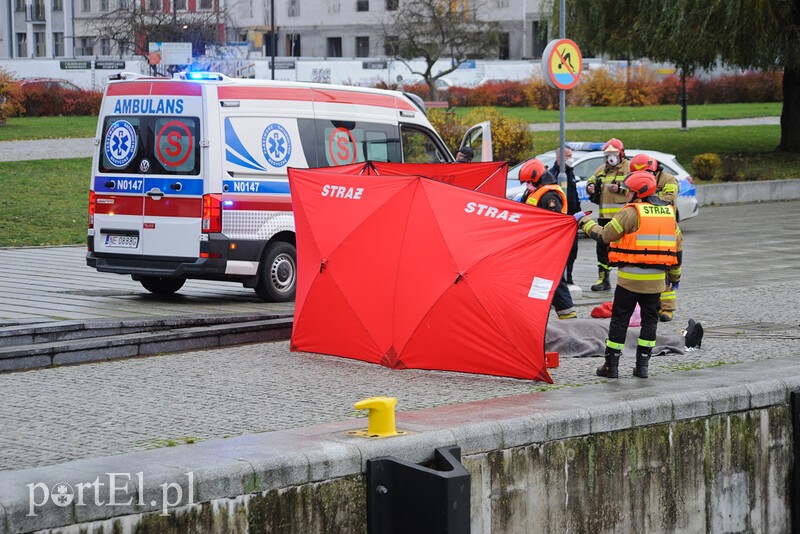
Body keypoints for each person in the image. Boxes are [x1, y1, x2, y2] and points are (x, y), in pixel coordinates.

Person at [576, 171, 683, 379]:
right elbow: (677, 250)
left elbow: (605, 235)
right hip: (655, 283)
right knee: (649, 322)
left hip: (629, 281)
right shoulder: (668, 214)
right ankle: (642, 367)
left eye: (629, 191)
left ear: (637, 193)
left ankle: (611, 366)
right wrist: (675, 278)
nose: (626, 195)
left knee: (619, 321)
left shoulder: (630, 213)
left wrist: (584, 223)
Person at [518, 158, 576, 320]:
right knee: (544, 280)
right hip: (539, 245)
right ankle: (538, 313)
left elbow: (553, 222)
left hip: (550, 246)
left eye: (529, 182)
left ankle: (568, 315)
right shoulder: (536, 192)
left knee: (554, 280)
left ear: (536, 178)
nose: (527, 185)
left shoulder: (550, 196)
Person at [629, 153, 681, 322]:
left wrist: (646, 197)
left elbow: (667, 199)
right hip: (649, 230)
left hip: (668, 232)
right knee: (656, 270)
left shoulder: (668, 180)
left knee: (669, 271)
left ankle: (668, 309)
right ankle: (656, 305)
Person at [585, 138, 631, 291]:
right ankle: (603, 280)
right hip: (604, 218)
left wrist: (619, 188)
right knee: (602, 249)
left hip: (623, 218)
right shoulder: (602, 169)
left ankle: (627, 281)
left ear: (621, 153)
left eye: (614, 153)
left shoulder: (629, 167)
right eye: (608, 154)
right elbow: (591, 181)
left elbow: (636, 187)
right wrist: (590, 186)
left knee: (625, 250)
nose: (610, 157)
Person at [548, 147, 580, 285]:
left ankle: (569, 276)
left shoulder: (570, 172)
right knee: (561, 252)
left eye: (571, 155)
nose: (571, 158)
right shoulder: (553, 174)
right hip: (562, 220)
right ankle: (561, 278)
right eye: (568, 156)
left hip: (573, 218)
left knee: (573, 251)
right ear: (559, 158)